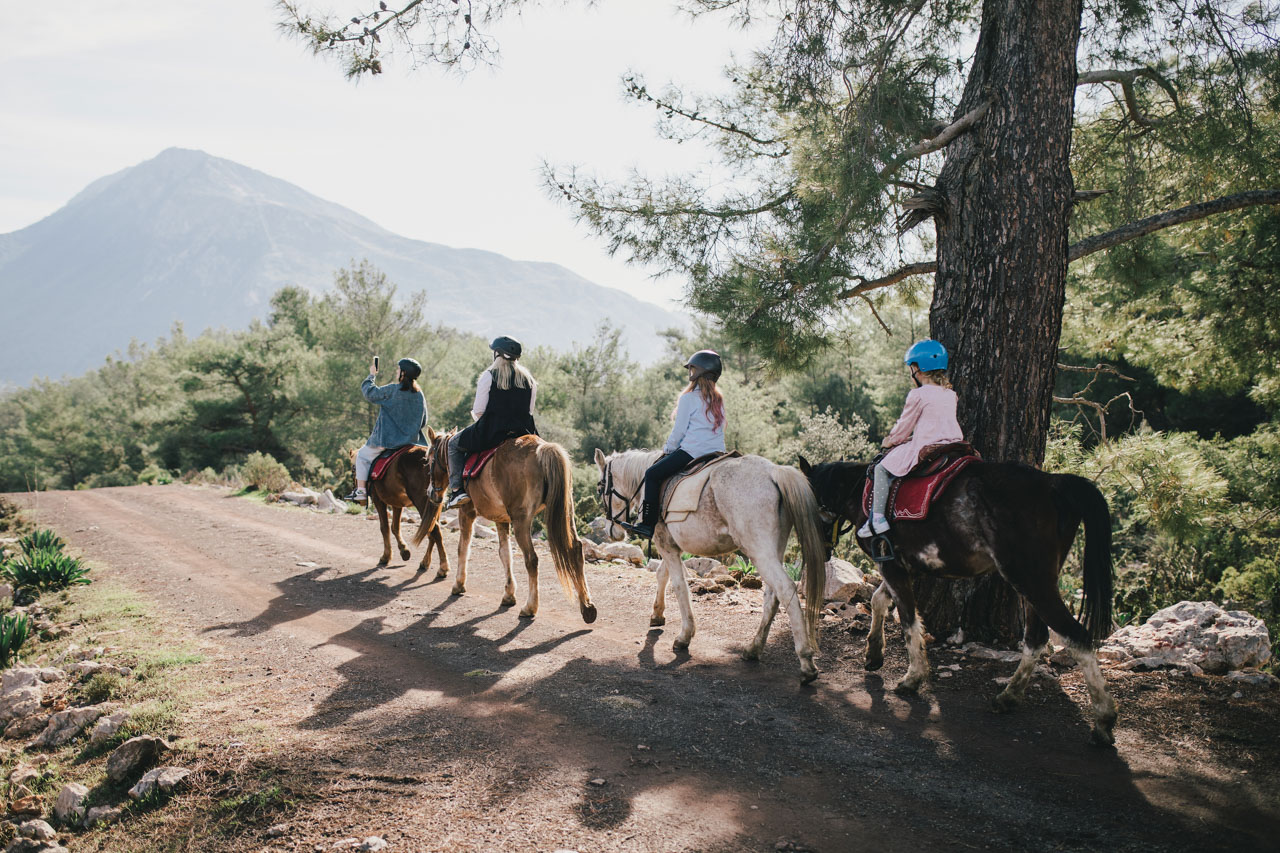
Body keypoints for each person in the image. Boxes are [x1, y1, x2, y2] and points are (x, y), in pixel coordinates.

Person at [859, 339, 964, 538]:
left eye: (911, 368)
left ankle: (878, 518)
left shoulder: (918, 394)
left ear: (917, 368)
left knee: (882, 469)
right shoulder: (950, 394)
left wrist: (891, 440)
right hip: (952, 444)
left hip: (926, 445)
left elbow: (904, 426)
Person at [624, 349, 726, 539]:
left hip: (692, 452)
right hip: (718, 453)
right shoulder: (718, 399)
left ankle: (647, 525)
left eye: (692, 369)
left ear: (697, 372)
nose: (690, 372)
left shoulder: (688, 398)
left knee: (652, 474)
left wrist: (667, 450)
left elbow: (679, 432)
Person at [444, 336, 539, 510]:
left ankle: (457, 491)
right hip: (524, 432)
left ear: (497, 354)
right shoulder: (529, 380)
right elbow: (529, 411)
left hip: (491, 433)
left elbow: (479, 411)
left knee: (452, 444)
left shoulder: (489, 375)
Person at [345, 357, 429, 504]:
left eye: (398, 369)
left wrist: (372, 375)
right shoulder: (419, 395)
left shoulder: (392, 390)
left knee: (362, 457)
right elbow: (424, 421)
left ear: (403, 373)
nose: (396, 371)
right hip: (412, 442)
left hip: (387, 441)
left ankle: (361, 492)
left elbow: (369, 393)